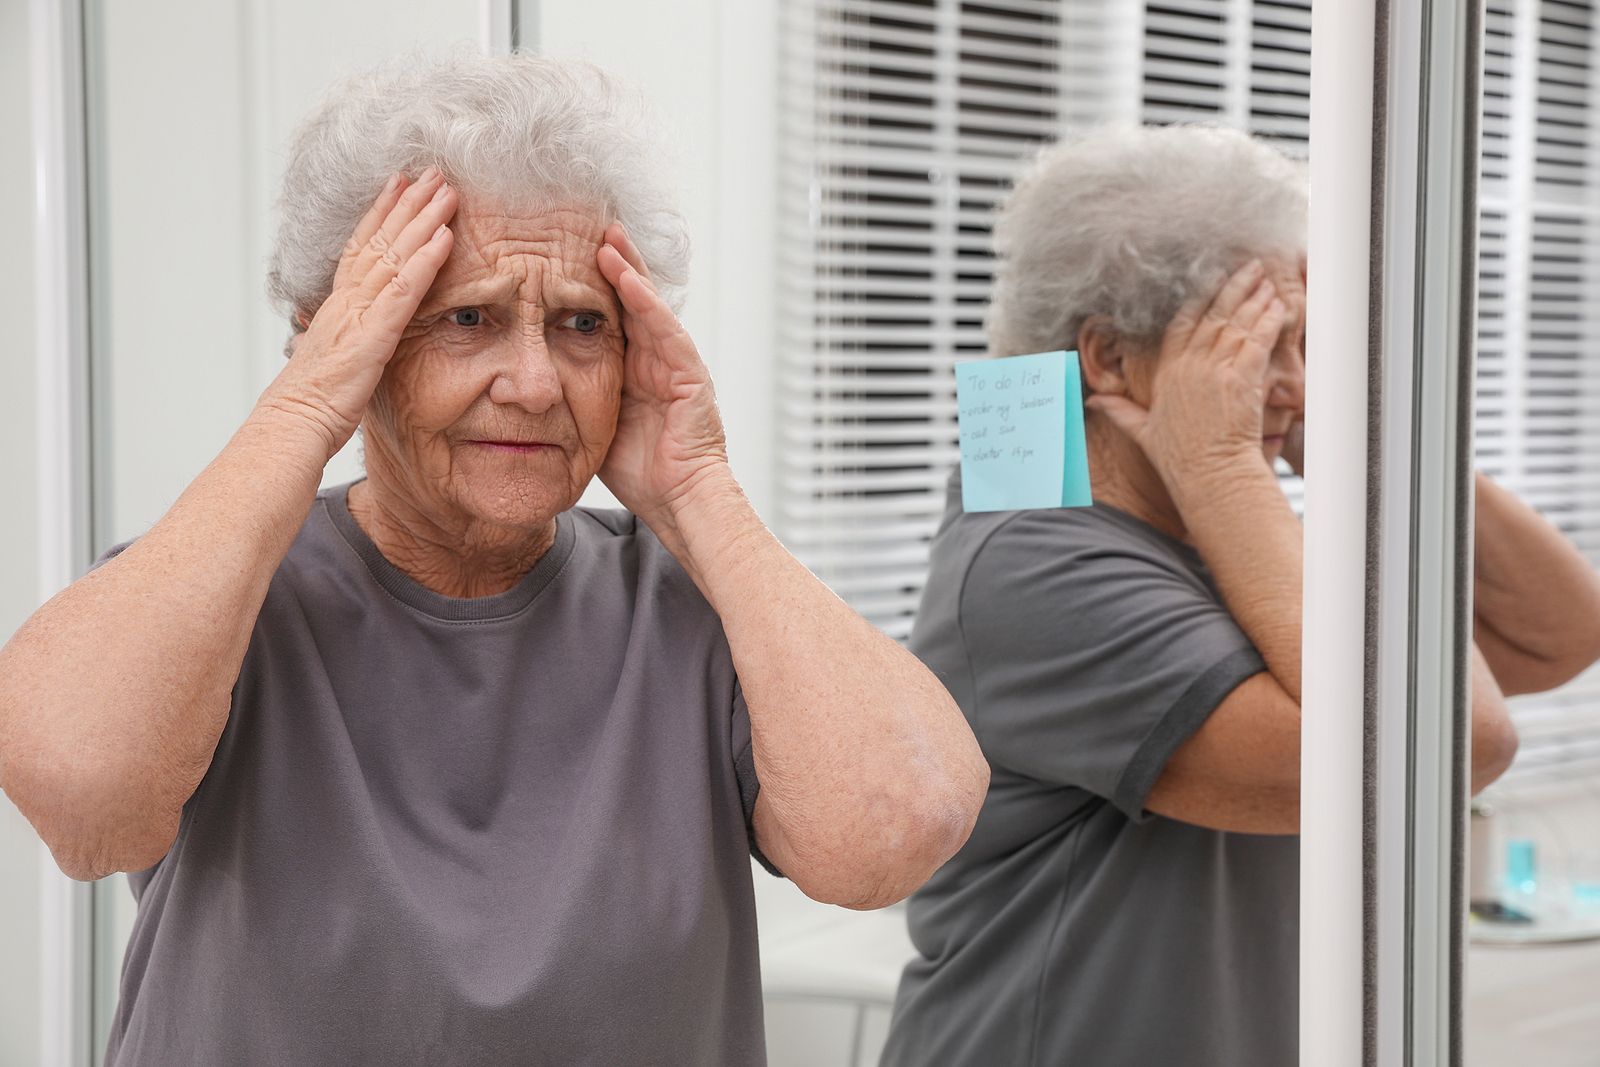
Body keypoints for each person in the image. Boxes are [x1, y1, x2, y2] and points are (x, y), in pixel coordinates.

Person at [0, 52, 989, 1066]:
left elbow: (897, 830)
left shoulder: (685, 606)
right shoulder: (227, 591)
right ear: (343, 336)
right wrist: (303, 406)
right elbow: (83, 800)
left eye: (580, 326)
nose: (532, 381)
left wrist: (703, 493)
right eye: (466, 317)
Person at [880, 124, 1600, 1066]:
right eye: (1263, 343)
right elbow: (1451, 744)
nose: (1299, 387)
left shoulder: (1223, 537)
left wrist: (1384, 439)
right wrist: (1220, 463)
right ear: (1109, 358)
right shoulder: (1034, 564)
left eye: (1310, 345)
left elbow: (1560, 633)